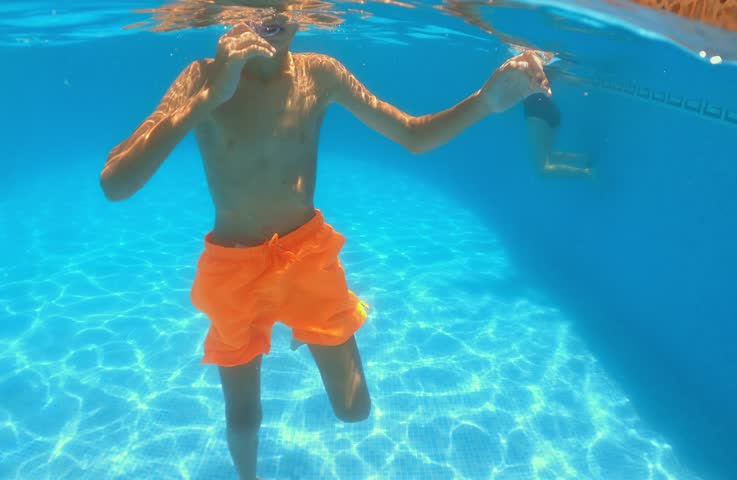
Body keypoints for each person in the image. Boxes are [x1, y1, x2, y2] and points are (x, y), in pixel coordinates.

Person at [99, 11, 550, 480]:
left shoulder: (320, 73)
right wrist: (210, 97)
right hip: (233, 269)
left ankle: (303, 326)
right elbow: (115, 183)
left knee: (354, 409)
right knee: (244, 416)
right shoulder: (200, 77)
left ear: (300, 14)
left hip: (307, 260)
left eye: (283, 3)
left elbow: (414, 135)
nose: (270, 12)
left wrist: (486, 101)